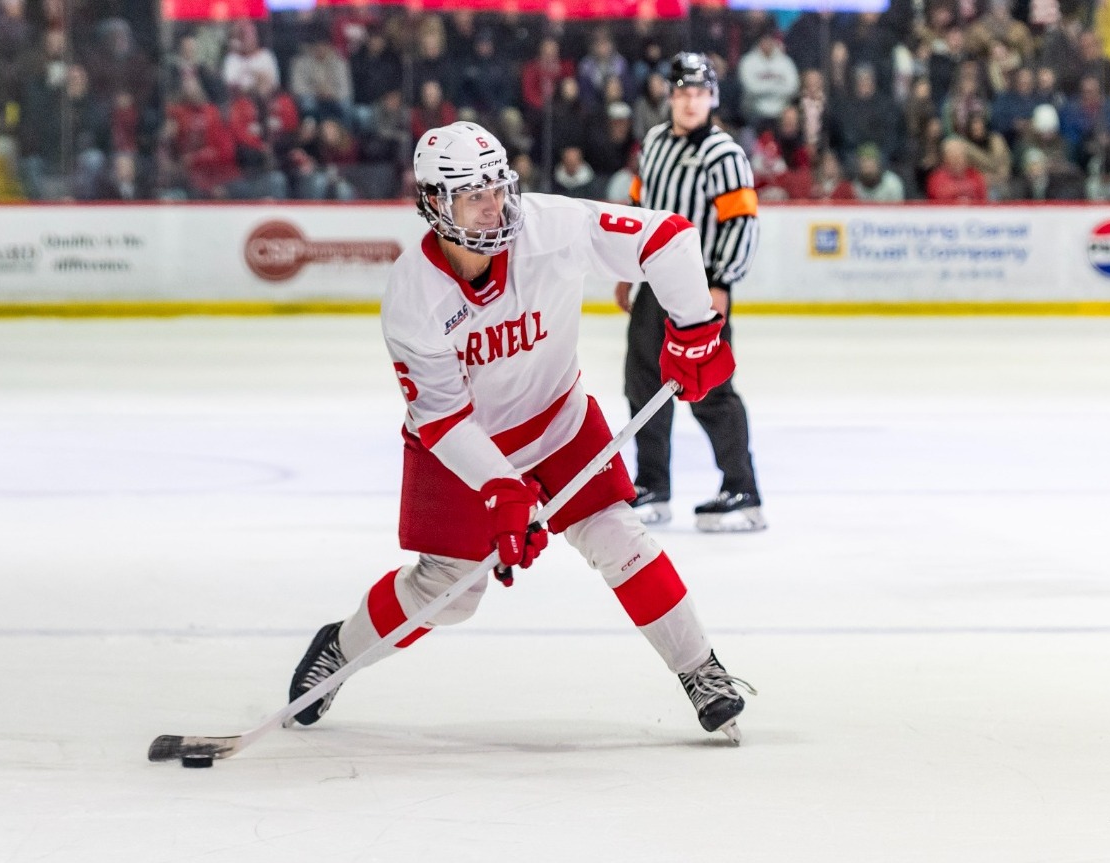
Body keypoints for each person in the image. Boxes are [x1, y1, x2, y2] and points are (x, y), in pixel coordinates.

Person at [287, 121, 755, 741]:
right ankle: (340, 649)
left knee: (618, 533)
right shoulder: (412, 295)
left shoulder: (549, 226)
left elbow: (667, 238)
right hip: (462, 449)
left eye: (497, 188)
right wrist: (502, 488)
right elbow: (443, 417)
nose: (493, 205)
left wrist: (695, 329)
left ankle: (702, 671)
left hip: (559, 419)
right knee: (450, 589)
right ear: (433, 203)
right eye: (472, 195)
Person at [615, 52, 766, 532]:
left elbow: (741, 222)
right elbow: (639, 209)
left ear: (712, 98)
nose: (689, 102)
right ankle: (652, 485)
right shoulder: (655, 142)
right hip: (653, 286)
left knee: (710, 388)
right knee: (642, 384)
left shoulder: (724, 153)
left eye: (698, 93)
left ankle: (743, 491)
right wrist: (626, 268)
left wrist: (721, 281)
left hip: (700, 289)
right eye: (682, 93)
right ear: (670, 97)